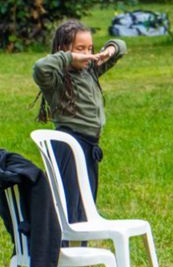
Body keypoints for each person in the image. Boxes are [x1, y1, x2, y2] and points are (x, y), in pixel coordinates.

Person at [32, 20, 127, 220]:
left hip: (89, 146)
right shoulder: (56, 78)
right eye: (80, 49)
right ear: (63, 49)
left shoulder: (89, 70)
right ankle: (64, 240)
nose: (87, 54)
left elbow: (121, 46)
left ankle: (82, 239)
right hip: (68, 146)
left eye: (89, 48)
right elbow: (40, 67)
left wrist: (108, 51)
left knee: (86, 203)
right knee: (70, 206)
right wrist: (69, 57)